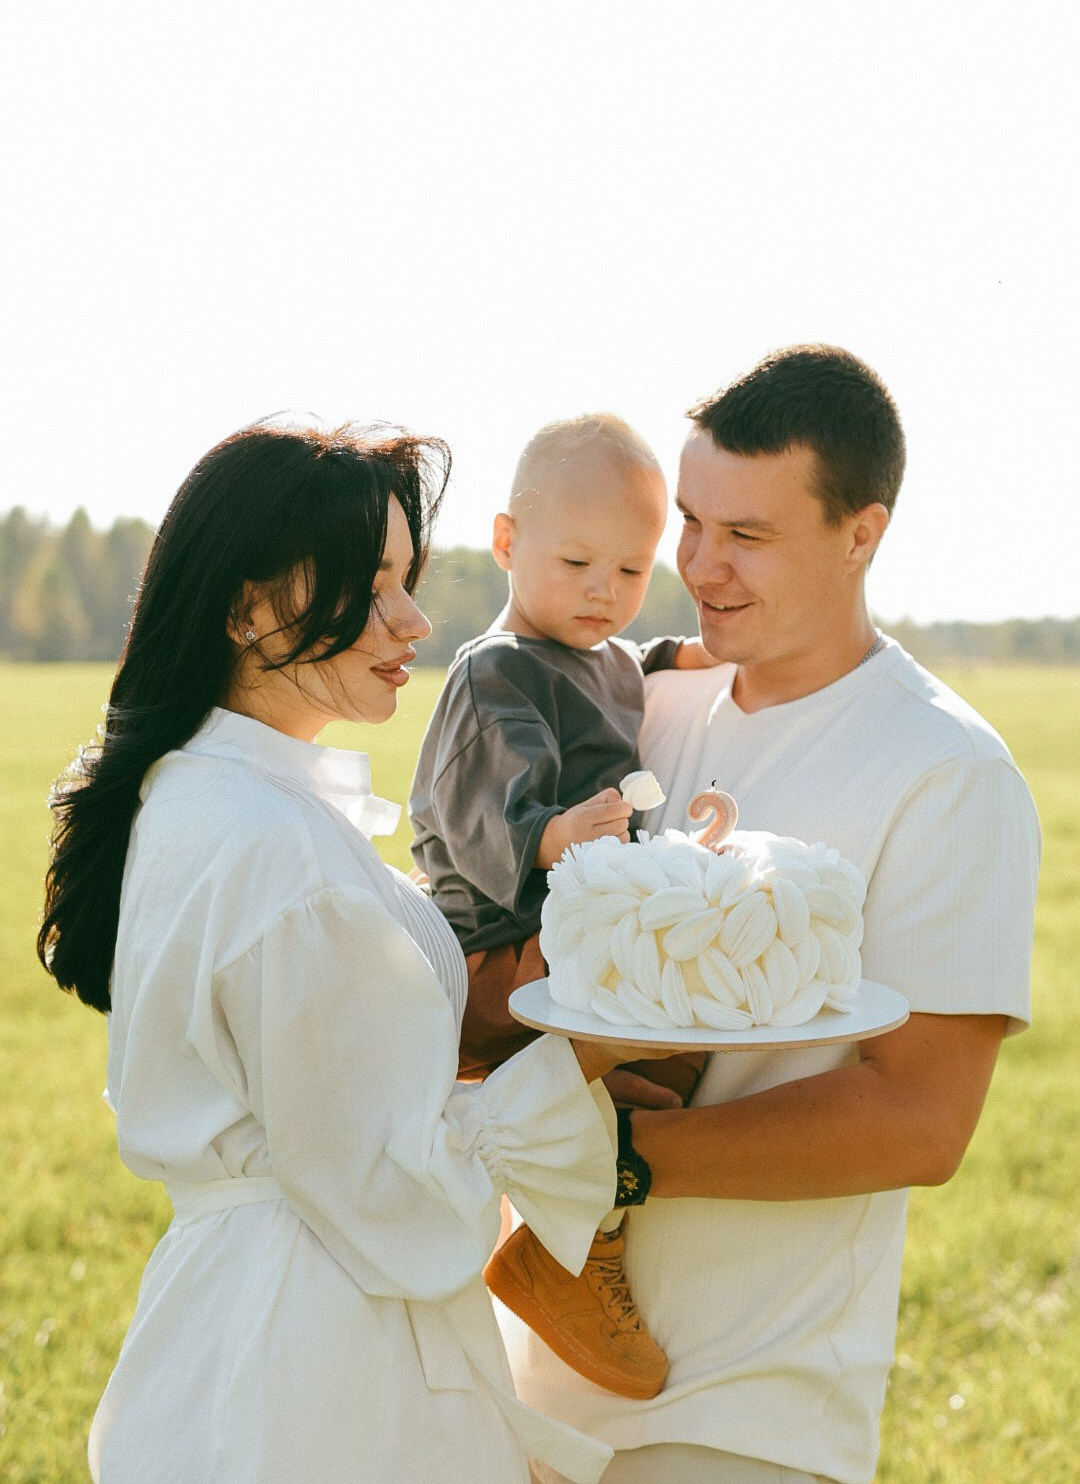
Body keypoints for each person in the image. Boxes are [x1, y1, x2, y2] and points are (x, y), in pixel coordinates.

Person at [35, 420, 659, 1484]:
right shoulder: (276, 852)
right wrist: (586, 1053)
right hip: (320, 1358)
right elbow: (398, 1197)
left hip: (252, 1322)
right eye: (369, 587)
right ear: (245, 607)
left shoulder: (203, 798)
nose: (414, 620)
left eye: (407, 579)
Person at [503, 346, 1040, 1484]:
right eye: (691, 522)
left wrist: (613, 1158)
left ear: (863, 534)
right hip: (521, 1385)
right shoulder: (637, 706)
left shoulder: (944, 768)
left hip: (744, 1410)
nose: (699, 564)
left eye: (745, 534)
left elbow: (918, 1120)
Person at [410, 415, 713, 1401]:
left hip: (553, 934)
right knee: (632, 1012)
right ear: (506, 545)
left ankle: (566, 1218)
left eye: (629, 572)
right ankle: (571, 1255)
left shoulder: (610, 657)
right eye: (576, 561)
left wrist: (690, 658)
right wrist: (547, 836)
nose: (602, 592)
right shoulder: (493, 670)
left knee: (664, 1062)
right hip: (493, 948)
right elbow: (478, 801)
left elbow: (639, 661)